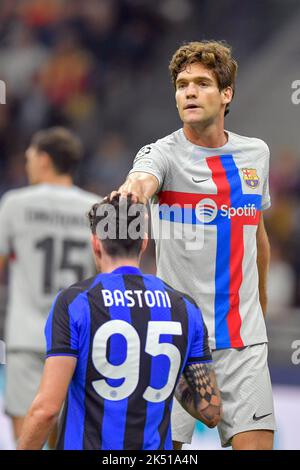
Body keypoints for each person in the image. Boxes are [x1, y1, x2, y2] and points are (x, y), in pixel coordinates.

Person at [113, 40, 276, 450]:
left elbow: (256, 233)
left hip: (243, 340)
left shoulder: (256, 154)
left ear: (226, 94)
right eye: (182, 84)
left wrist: (260, 305)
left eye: (202, 83)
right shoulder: (162, 153)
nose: (188, 91)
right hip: (174, 341)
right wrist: (130, 196)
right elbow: (141, 178)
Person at [17, 194, 222, 450]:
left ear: (96, 242)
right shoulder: (184, 308)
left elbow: (46, 410)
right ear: (144, 243)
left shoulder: (76, 302)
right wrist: (161, 370)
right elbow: (211, 412)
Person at [0, 127, 99, 442]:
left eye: (29, 156)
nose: (27, 163)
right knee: (66, 436)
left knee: (25, 438)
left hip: (25, 338)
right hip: (76, 338)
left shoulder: (15, 203)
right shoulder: (96, 208)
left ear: (43, 159)